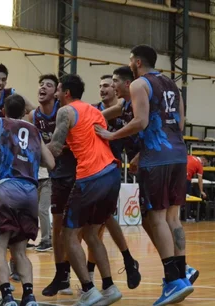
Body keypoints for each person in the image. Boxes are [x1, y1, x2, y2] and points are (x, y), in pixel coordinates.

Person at [96, 45, 194, 305]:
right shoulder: (172, 84)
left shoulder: (140, 83)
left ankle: (173, 279)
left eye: (130, 60)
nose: (128, 64)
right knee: (173, 216)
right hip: (178, 153)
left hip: (157, 157)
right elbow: (180, 123)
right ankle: (182, 272)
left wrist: (112, 135)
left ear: (137, 62)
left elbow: (140, 121)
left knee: (156, 216)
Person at [48, 74, 122, 305]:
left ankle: (88, 290)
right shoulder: (94, 111)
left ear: (66, 93)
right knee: (91, 233)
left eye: (58, 90)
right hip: (111, 172)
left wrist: (30, 145)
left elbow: (56, 148)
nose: (56, 94)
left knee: (68, 235)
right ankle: (109, 287)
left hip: (90, 175)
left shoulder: (65, 111)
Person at [0, 94, 55, 306]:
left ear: (4, 111)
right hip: (30, 191)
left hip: (8, 187)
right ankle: (29, 296)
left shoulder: (1, 124)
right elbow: (51, 163)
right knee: (20, 250)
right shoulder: (35, 130)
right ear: (23, 112)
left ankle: (7, 297)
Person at [89, 73, 141, 290]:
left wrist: (138, 157)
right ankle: (125, 261)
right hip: (90, 171)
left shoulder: (125, 111)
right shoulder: (93, 111)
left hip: (111, 171)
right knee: (97, 224)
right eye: (100, 86)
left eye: (108, 85)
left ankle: (98, 272)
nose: (103, 89)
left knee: (101, 221)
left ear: (116, 88)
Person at [28, 74, 75, 296]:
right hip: (56, 174)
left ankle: (89, 272)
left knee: (77, 229)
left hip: (77, 172)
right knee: (58, 226)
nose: (43, 88)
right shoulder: (32, 116)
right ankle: (61, 275)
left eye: (49, 85)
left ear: (56, 93)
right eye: (41, 85)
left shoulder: (64, 112)